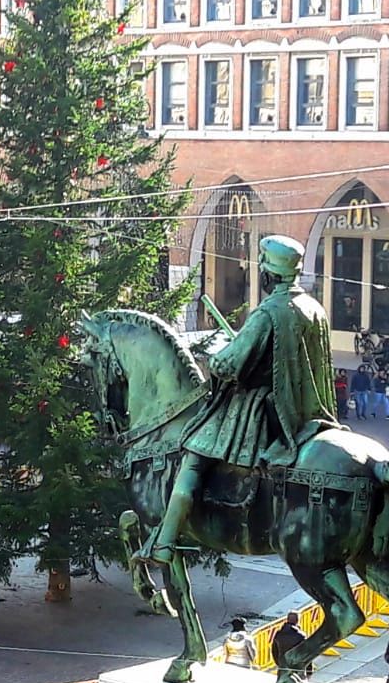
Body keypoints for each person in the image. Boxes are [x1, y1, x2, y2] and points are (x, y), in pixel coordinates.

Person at [137, 235, 341, 564]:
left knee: (194, 453)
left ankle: (164, 541)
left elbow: (228, 365)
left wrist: (219, 355)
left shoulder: (268, 312)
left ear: (268, 273)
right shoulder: (314, 309)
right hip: (310, 412)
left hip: (264, 410)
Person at [270, 611, 310, 675]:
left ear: (287, 619)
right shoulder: (300, 636)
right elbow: (307, 653)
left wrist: (279, 663)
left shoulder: (279, 634)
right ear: (298, 620)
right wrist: (309, 670)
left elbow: (274, 650)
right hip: (297, 667)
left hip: (283, 666)